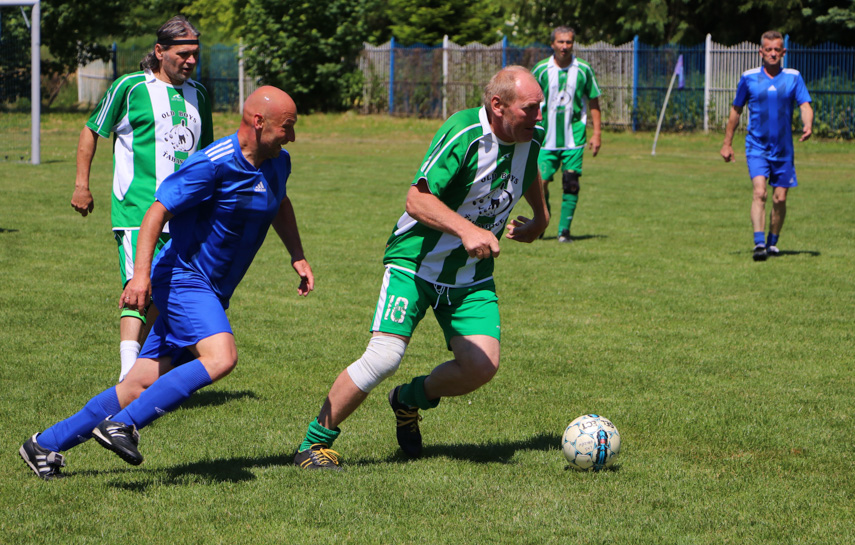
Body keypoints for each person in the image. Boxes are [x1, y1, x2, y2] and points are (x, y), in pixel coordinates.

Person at [19, 86, 312, 479]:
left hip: (211, 289)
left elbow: (279, 202)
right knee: (222, 356)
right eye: (286, 127)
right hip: (183, 278)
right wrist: (140, 277)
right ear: (258, 123)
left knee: (138, 383)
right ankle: (123, 425)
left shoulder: (278, 162)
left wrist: (297, 254)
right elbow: (156, 212)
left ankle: (44, 445)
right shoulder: (213, 163)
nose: (291, 136)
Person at [292, 66, 549, 471]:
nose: (538, 117)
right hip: (415, 263)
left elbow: (529, 166)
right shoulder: (464, 133)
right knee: (384, 356)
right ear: (498, 106)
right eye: (530, 109)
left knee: (482, 366)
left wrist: (541, 218)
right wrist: (467, 230)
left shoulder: (527, 135)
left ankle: (408, 399)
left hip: (469, 275)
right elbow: (417, 200)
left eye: (540, 108)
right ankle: (312, 444)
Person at [71, 15, 214, 381]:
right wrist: (81, 184)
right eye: (183, 54)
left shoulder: (200, 95)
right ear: (159, 51)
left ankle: (143, 369)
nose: (191, 61)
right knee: (137, 287)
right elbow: (92, 130)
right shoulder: (131, 88)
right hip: (137, 210)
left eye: (195, 54)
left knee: (164, 289)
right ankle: (126, 378)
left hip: (185, 215)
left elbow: (207, 157)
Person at [720, 30, 813, 261]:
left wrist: (808, 124)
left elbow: (805, 105)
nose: (772, 54)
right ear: (760, 51)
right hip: (756, 147)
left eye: (777, 50)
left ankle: (773, 242)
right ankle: (759, 243)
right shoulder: (749, 77)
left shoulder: (793, 77)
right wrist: (727, 143)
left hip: (783, 149)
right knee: (760, 192)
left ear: (784, 52)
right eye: (768, 49)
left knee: (779, 198)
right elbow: (736, 110)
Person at [531, 26, 602, 243]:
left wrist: (597, 133)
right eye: (560, 42)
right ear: (552, 44)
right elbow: (528, 100)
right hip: (545, 139)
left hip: (574, 138)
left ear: (573, 44)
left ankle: (564, 232)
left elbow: (593, 101)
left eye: (569, 42)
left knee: (571, 182)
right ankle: (543, 220)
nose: (564, 46)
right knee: (540, 183)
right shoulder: (541, 69)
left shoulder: (583, 70)